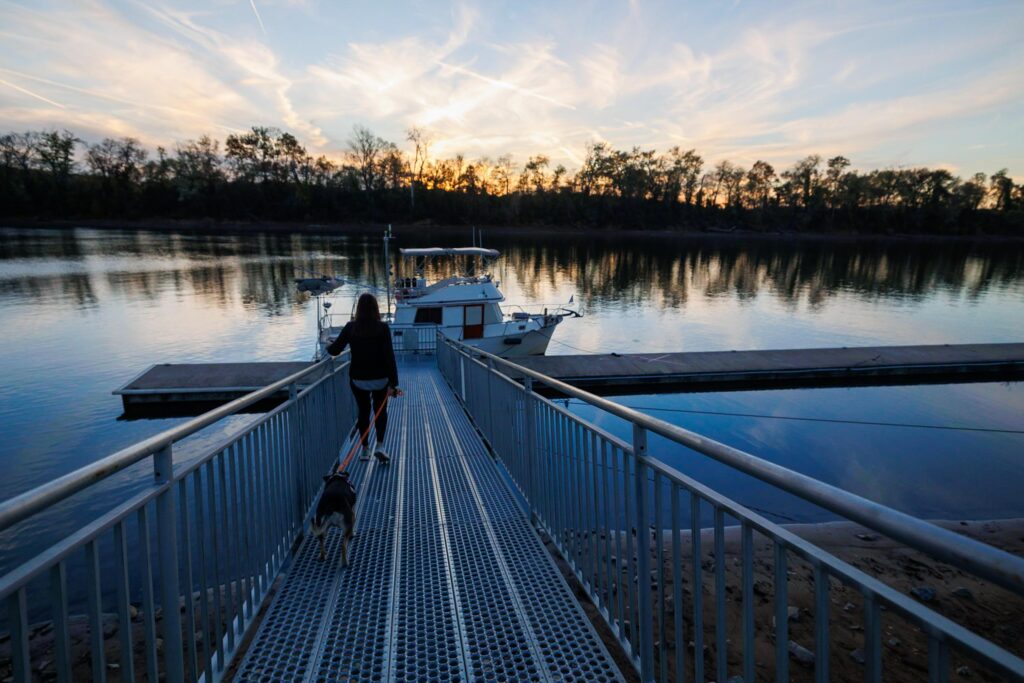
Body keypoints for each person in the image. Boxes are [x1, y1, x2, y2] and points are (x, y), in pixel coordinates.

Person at [325, 293, 401, 463]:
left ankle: (365, 450)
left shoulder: (351, 327)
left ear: (358, 309)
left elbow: (336, 349)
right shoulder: (382, 328)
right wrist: (394, 383)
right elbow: (389, 356)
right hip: (380, 379)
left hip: (358, 380)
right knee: (380, 412)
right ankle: (380, 446)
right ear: (376, 308)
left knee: (363, 411)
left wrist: (328, 346)